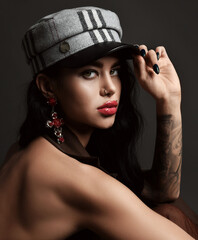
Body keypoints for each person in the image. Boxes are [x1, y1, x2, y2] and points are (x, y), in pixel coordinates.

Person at [0, 5, 197, 240]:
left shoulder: (32, 148)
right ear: (48, 86)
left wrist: (169, 99)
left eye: (114, 71)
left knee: (169, 211)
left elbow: (162, 191)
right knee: (171, 215)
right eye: (89, 73)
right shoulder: (66, 177)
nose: (110, 88)